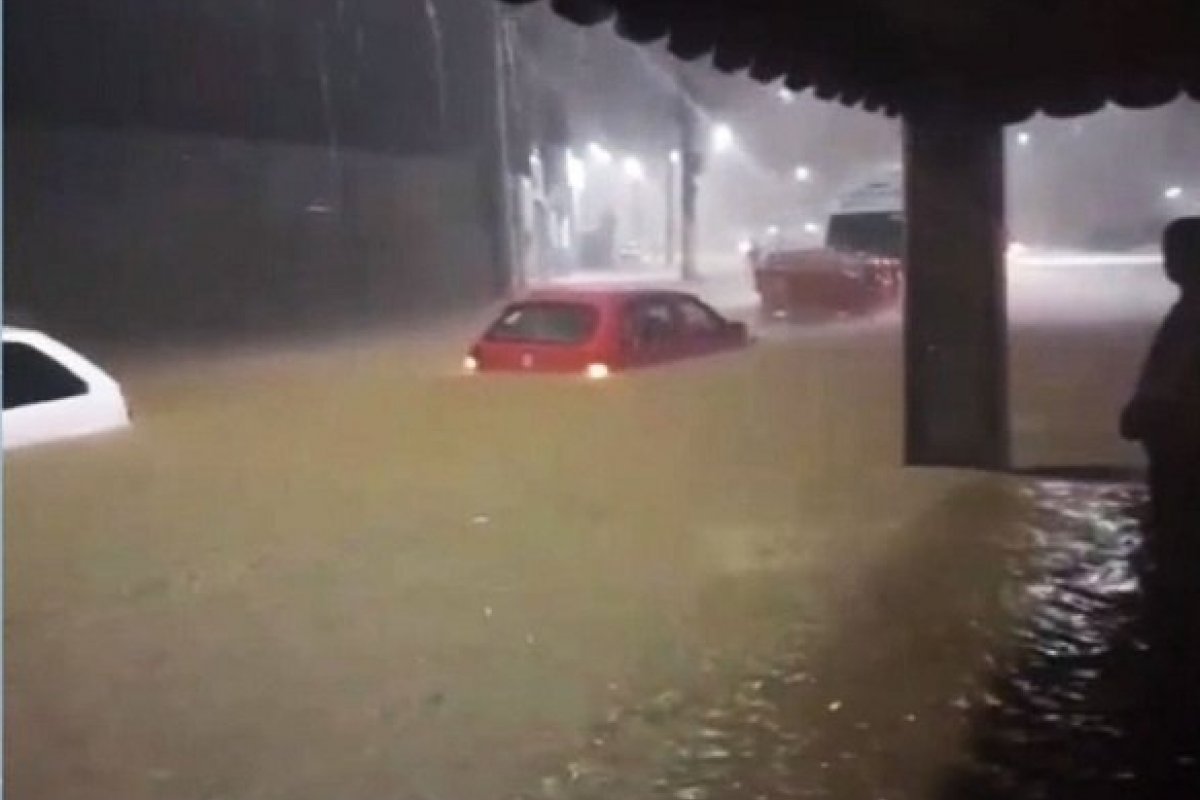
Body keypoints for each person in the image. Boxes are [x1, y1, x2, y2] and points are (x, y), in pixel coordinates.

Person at [1121, 217, 1200, 533]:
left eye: (1177, 255)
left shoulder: (1191, 315)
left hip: (1182, 448)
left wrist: (1145, 411)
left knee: (1177, 525)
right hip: (1176, 443)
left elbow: (1175, 375)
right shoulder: (1187, 308)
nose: (1169, 264)